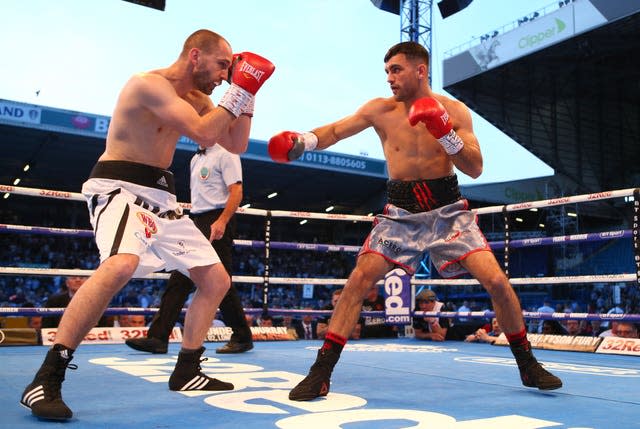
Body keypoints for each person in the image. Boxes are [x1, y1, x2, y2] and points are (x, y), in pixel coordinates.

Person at [268, 41, 561, 401]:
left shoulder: (454, 110)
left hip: (448, 211)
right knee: (359, 279)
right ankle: (320, 372)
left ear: (420, 70)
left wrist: (444, 132)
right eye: (387, 71)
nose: (389, 78)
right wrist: (302, 141)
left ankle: (528, 364)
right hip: (401, 216)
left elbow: (475, 166)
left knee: (497, 281)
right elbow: (335, 130)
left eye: (396, 69)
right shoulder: (380, 109)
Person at [20, 29, 274, 420]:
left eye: (231, 69)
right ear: (195, 55)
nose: (226, 75)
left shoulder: (199, 99)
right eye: (223, 65)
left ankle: (188, 368)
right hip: (119, 186)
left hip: (162, 198)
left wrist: (250, 92)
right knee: (121, 264)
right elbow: (206, 132)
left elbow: (234, 143)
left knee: (216, 281)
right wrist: (239, 90)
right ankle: (46, 377)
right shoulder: (148, 85)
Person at [125, 141, 253, 355]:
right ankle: (159, 337)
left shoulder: (227, 153)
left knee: (199, 278)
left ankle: (159, 337)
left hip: (216, 219)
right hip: (197, 219)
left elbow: (236, 191)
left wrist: (221, 221)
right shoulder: (196, 158)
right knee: (194, 277)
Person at [41, 275, 111, 329]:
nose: (78, 280)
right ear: (67, 283)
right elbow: (47, 324)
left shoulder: (98, 300)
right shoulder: (54, 300)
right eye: (74, 278)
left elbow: (104, 325)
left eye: (81, 277)